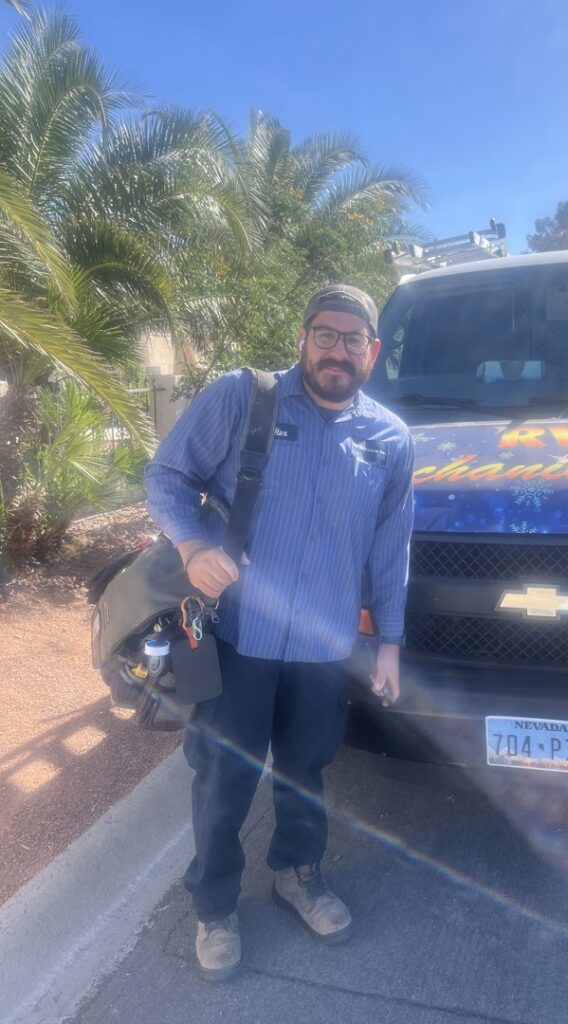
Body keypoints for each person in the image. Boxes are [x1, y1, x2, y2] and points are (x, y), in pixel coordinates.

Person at [144, 285, 414, 981]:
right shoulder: (245, 397)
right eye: (326, 334)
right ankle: (214, 906)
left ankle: (298, 874)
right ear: (303, 338)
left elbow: (391, 546)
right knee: (222, 779)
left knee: (306, 772)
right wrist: (194, 547)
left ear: (373, 353)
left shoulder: (389, 439)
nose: (338, 350)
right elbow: (169, 476)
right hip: (237, 637)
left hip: (325, 649)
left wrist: (390, 643)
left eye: (355, 340)